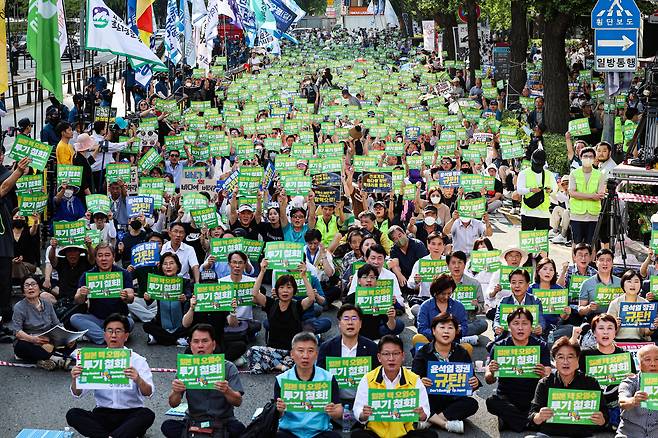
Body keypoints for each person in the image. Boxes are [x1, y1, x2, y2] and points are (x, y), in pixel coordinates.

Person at [67, 313, 155, 438]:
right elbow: (77, 394)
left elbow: (149, 393)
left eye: (118, 331)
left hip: (130, 414)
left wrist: (138, 379)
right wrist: (75, 379)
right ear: (104, 335)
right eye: (110, 331)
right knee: (73, 414)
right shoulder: (92, 359)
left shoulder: (138, 360)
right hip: (103, 413)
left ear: (126, 336)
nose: (113, 335)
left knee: (147, 414)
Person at [162, 324, 246, 438]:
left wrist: (227, 391)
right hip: (194, 420)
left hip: (223, 421)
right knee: (167, 426)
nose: (200, 346)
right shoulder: (185, 368)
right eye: (196, 341)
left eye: (205, 341)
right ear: (191, 345)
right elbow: (173, 403)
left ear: (214, 344)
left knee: (240, 429)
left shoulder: (228, 367)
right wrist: (176, 391)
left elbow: (238, 402)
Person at [412, 313, 481, 434]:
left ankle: (431, 421)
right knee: (417, 402)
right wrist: (421, 381)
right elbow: (412, 380)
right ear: (433, 330)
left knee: (472, 404)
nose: (446, 331)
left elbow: (471, 381)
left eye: (450, 328)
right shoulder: (423, 352)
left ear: (455, 332)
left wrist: (474, 383)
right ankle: (446, 424)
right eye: (442, 327)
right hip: (430, 399)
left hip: (452, 400)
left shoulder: (462, 352)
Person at [485, 307, 551, 432]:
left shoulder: (541, 346)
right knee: (491, 402)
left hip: (532, 398)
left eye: (525, 323)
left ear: (531, 326)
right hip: (507, 397)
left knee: (547, 407)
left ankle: (510, 420)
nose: (520, 328)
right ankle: (528, 422)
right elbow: (488, 379)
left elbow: (548, 375)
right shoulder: (499, 346)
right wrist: (492, 372)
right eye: (516, 323)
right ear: (509, 327)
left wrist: (543, 374)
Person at [352, 335, 432, 438]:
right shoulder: (368, 378)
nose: (391, 358)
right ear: (379, 357)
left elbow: (425, 413)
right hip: (376, 433)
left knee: (430, 435)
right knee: (357, 435)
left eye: (396, 353)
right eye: (386, 354)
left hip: (405, 433)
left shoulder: (414, 379)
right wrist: (364, 414)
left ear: (403, 356)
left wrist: (421, 414)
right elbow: (358, 410)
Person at [527, 336, 608, 437]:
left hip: (581, 435)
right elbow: (531, 416)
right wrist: (538, 417)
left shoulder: (590, 383)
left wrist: (601, 420)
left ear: (577, 360)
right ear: (554, 361)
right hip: (550, 434)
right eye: (560, 357)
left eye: (570, 357)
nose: (565, 362)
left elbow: (605, 416)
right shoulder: (545, 383)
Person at [246, 259, 317, 373]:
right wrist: (262, 271)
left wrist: (303, 276)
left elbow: (311, 298)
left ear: (294, 291)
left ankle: (273, 366)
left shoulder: (297, 306)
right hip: (273, 350)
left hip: (291, 352)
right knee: (252, 351)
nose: (285, 291)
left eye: (289, 288)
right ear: (277, 290)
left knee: (303, 362)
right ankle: (280, 367)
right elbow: (255, 293)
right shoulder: (270, 304)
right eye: (282, 287)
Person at [274, 331, 343, 438]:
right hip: (290, 432)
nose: (305, 356)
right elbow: (276, 416)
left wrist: (333, 411)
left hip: (319, 432)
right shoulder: (281, 379)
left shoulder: (328, 378)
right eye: (300, 351)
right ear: (292, 354)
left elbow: (339, 409)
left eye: (310, 351)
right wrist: (279, 410)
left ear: (316, 354)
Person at [576, 313, 637, 429]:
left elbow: (632, 385)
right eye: (601, 328)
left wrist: (631, 378)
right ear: (594, 333)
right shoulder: (585, 354)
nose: (605, 332)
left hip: (618, 402)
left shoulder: (625, 355)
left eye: (610, 328)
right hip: (594, 402)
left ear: (615, 332)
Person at [70, 243, 135, 344]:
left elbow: (131, 297)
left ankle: (96, 335)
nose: (103, 259)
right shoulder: (88, 275)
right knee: (75, 318)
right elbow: (78, 300)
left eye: (107, 255)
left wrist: (126, 296)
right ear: (95, 258)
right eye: (100, 255)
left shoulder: (123, 273)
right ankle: (110, 337)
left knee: (130, 323)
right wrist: (82, 294)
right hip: (96, 318)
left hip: (118, 318)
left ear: (113, 257)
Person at [317, 304, 379, 403]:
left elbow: (378, 378)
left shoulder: (372, 347)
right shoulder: (327, 348)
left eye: (354, 319)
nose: (350, 323)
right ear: (339, 323)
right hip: (335, 402)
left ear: (360, 324)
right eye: (346, 319)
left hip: (364, 402)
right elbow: (320, 377)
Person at [10, 275, 75, 369]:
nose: (30, 288)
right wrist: (34, 339)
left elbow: (57, 324)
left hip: (49, 340)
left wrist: (68, 337)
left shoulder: (47, 304)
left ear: (39, 288)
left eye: (33, 284)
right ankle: (57, 358)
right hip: (31, 341)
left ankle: (44, 360)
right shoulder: (19, 307)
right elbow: (17, 332)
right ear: (23, 291)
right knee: (21, 346)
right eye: (27, 285)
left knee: (72, 342)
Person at [0, 156, 31, 343]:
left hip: (4, 244)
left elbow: (7, 182)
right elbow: (3, 188)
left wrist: (17, 172)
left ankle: (1, 324)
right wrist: (18, 172)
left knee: (4, 287)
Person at [142, 252, 193, 346]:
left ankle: (160, 338)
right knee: (147, 326)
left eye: (171, 263)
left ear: (178, 266)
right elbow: (149, 302)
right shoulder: (156, 282)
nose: (168, 266)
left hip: (181, 324)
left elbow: (189, 295)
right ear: (161, 267)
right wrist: (147, 297)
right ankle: (175, 339)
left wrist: (185, 298)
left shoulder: (184, 281)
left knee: (193, 326)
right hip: (161, 323)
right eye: (165, 264)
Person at [415, 274, 469, 347]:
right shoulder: (426, 306)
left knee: (467, 347)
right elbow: (422, 328)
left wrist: (459, 330)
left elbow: (464, 326)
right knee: (417, 338)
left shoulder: (458, 306)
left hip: (452, 343)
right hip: (431, 342)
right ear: (435, 292)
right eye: (443, 294)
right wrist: (439, 334)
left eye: (449, 293)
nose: (446, 297)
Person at [617, 344, 658, 437]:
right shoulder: (630, 381)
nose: (653, 363)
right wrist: (633, 401)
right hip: (629, 433)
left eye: (657, 359)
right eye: (648, 360)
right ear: (639, 364)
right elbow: (622, 401)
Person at [607, 270, 658, 341]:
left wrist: (652, 327)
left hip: (640, 342)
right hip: (619, 342)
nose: (633, 285)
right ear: (623, 284)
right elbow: (608, 331)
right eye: (629, 281)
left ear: (640, 284)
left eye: (636, 282)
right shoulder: (615, 303)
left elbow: (646, 332)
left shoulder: (645, 303)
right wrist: (616, 326)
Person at [568, 147, 605, 244]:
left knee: (591, 245)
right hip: (577, 215)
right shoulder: (574, 173)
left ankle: (591, 260)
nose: (588, 158)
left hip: (593, 215)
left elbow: (600, 194)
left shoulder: (599, 175)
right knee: (576, 244)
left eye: (590, 156)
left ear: (594, 158)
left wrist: (581, 195)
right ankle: (575, 260)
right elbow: (572, 193)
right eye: (585, 156)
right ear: (580, 157)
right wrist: (592, 196)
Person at [493, 269, 545, 337]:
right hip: (509, 336)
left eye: (520, 282)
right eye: (513, 282)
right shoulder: (504, 301)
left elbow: (541, 321)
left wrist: (540, 327)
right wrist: (497, 327)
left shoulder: (535, 301)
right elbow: (497, 320)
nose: (517, 286)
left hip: (529, 336)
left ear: (527, 285)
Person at [516, 149, 557, 231]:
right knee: (527, 241)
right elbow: (519, 190)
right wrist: (530, 190)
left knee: (541, 243)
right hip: (528, 212)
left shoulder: (549, 174)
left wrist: (551, 190)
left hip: (544, 213)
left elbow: (555, 188)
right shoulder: (524, 173)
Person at [485, 246, 529, 319]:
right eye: (511, 256)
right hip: (502, 307)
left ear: (521, 258)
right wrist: (495, 291)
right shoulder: (498, 273)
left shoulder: (526, 273)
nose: (514, 259)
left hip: (521, 307)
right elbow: (489, 295)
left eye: (517, 256)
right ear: (505, 258)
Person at [578, 248, 621, 321]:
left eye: (608, 260)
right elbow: (580, 310)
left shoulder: (620, 282)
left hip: (615, 319)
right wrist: (589, 307)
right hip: (594, 319)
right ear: (596, 262)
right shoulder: (587, 283)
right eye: (601, 260)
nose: (605, 263)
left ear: (612, 263)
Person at [407, 231, 448, 308]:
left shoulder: (449, 262)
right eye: (433, 244)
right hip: (425, 299)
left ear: (444, 246)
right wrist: (416, 281)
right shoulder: (420, 263)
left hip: (445, 299)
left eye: (439, 244)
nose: (436, 247)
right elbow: (409, 284)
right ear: (428, 245)